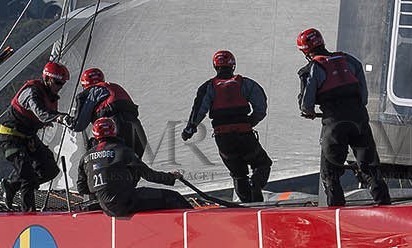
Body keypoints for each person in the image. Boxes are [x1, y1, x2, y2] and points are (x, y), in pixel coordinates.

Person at [296, 28, 390, 207]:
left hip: (334, 124)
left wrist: (309, 112)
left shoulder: (313, 68)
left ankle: (336, 211)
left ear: (306, 51)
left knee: (330, 173)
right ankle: (384, 204)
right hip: (359, 120)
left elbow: (306, 105)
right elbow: (363, 97)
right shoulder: (349, 60)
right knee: (370, 166)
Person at [182, 50, 272, 204]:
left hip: (223, 138)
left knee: (238, 173)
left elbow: (199, 110)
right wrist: (251, 121)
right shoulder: (245, 83)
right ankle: (255, 185)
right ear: (233, 65)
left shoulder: (208, 87)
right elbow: (261, 107)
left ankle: (246, 205)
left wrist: (190, 129)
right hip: (245, 134)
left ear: (215, 66)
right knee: (262, 164)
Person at [0, 60, 70, 212]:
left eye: (62, 83)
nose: (59, 87)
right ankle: (29, 213)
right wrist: (59, 118)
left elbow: (42, 119)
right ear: (47, 78)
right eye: (57, 82)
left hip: (28, 138)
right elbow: (41, 114)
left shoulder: (50, 97)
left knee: (50, 169)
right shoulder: (32, 92)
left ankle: (11, 185)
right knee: (28, 176)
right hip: (11, 137)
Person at [77, 117, 184, 217]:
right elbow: (148, 175)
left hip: (106, 207)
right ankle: (194, 228)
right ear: (114, 130)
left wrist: (102, 191)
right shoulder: (122, 150)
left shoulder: (85, 158)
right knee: (174, 197)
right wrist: (170, 177)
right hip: (127, 202)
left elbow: (82, 188)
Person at [68, 67, 148, 157]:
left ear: (85, 85)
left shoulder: (92, 91)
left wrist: (62, 118)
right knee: (133, 165)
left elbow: (79, 125)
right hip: (137, 132)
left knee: (104, 159)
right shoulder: (114, 87)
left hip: (116, 130)